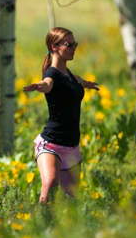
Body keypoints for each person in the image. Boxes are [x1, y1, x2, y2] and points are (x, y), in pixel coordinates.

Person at [24, 27, 99, 204]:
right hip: (50, 144)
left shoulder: (69, 75)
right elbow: (47, 84)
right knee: (50, 183)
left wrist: (86, 84)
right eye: (69, 44)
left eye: (75, 44)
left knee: (71, 198)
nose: (74, 47)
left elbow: (78, 80)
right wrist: (39, 86)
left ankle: (62, 230)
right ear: (55, 47)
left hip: (72, 146)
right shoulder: (51, 74)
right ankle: (42, 221)